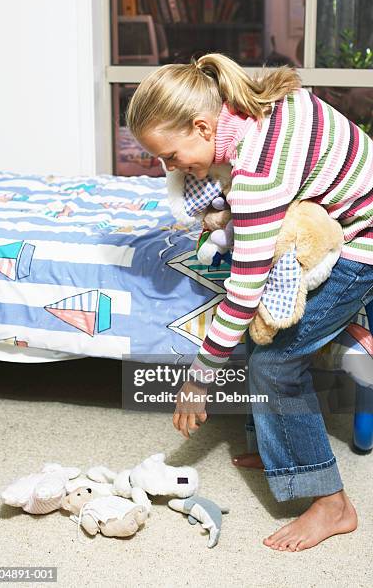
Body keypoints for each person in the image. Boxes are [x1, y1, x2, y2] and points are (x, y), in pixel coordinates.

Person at [125, 53, 373, 552]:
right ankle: (281, 447)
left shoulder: (258, 171)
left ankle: (331, 503)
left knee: (274, 365)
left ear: (201, 124)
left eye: (171, 156)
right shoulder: (250, 110)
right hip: (341, 217)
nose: (169, 169)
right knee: (266, 351)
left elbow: (246, 290)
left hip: (362, 240)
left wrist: (199, 375)